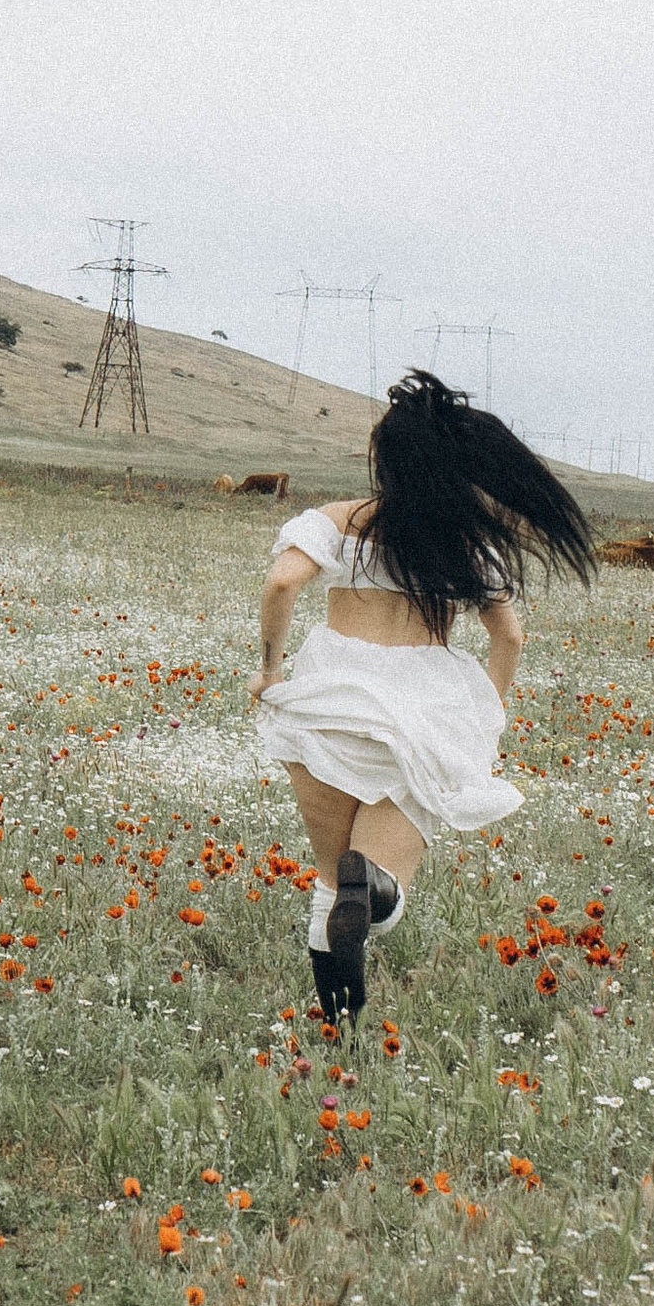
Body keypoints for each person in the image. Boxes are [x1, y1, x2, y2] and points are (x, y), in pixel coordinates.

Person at [250, 371, 596, 1019]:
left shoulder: (334, 521)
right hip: (419, 716)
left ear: (386, 459)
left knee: (330, 885)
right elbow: (509, 638)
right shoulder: (464, 547)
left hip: (326, 705)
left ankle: (341, 1034)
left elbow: (281, 586)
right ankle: (377, 891)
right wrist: (482, 715)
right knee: (375, 887)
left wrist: (270, 672)